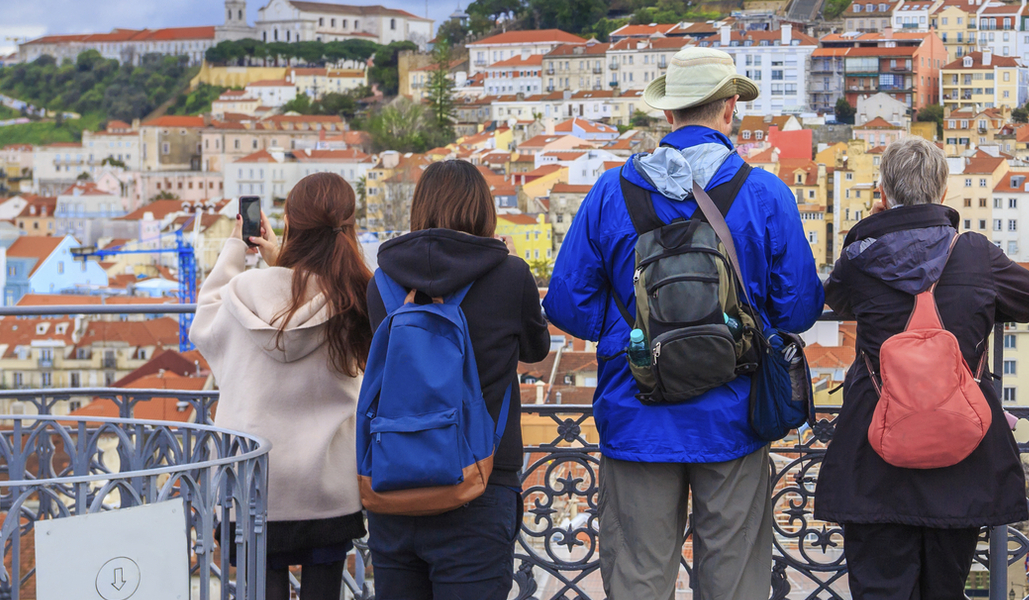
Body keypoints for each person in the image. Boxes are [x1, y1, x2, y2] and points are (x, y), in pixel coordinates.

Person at [544, 46, 823, 599]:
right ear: (728, 111)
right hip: (736, 413)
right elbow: (797, 310)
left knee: (639, 580)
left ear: (668, 115)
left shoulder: (609, 192)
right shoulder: (765, 192)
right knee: (735, 579)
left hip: (637, 410)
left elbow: (566, 305)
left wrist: (635, 326)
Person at [816, 138, 1029, 599]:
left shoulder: (860, 257)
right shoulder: (975, 252)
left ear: (882, 194)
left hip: (874, 452)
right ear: (943, 192)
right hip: (959, 453)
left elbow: (834, 298)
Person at [361, 160, 550, 598]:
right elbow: (536, 350)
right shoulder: (510, 275)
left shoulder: (382, 283)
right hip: (478, 482)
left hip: (394, 484)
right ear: (483, 208)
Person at [194, 173, 369, 600]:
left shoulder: (243, 291)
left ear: (290, 223)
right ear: (347, 228)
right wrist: (286, 269)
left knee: (262, 589)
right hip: (327, 484)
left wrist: (238, 248)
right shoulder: (354, 296)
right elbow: (306, 302)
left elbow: (205, 322)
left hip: (253, 480)